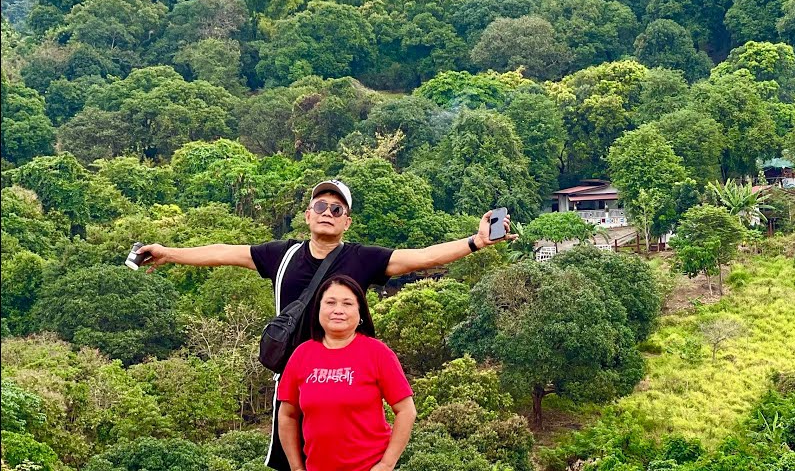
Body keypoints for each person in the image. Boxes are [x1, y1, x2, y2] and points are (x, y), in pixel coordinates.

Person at [137, 179, 513, 470]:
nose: (328, 212)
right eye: (321, 205)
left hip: (351, 376)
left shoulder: (361, 259)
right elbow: (223, 252)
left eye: (337, 208)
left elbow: (419, 258)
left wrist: (476, 242)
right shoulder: (281, 255)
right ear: (308, 214)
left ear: (347, 220)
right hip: (297, 380)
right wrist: (169, 253)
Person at [278, 274, 415, 471]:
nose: (338, 310)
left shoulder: (378, 353)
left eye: (347, 303)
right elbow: (287, 416)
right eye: (330, 303)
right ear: (318, 309)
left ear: (360, 313)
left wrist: (386, 464)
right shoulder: (302, 354)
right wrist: (297, 467)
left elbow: (406, 411)